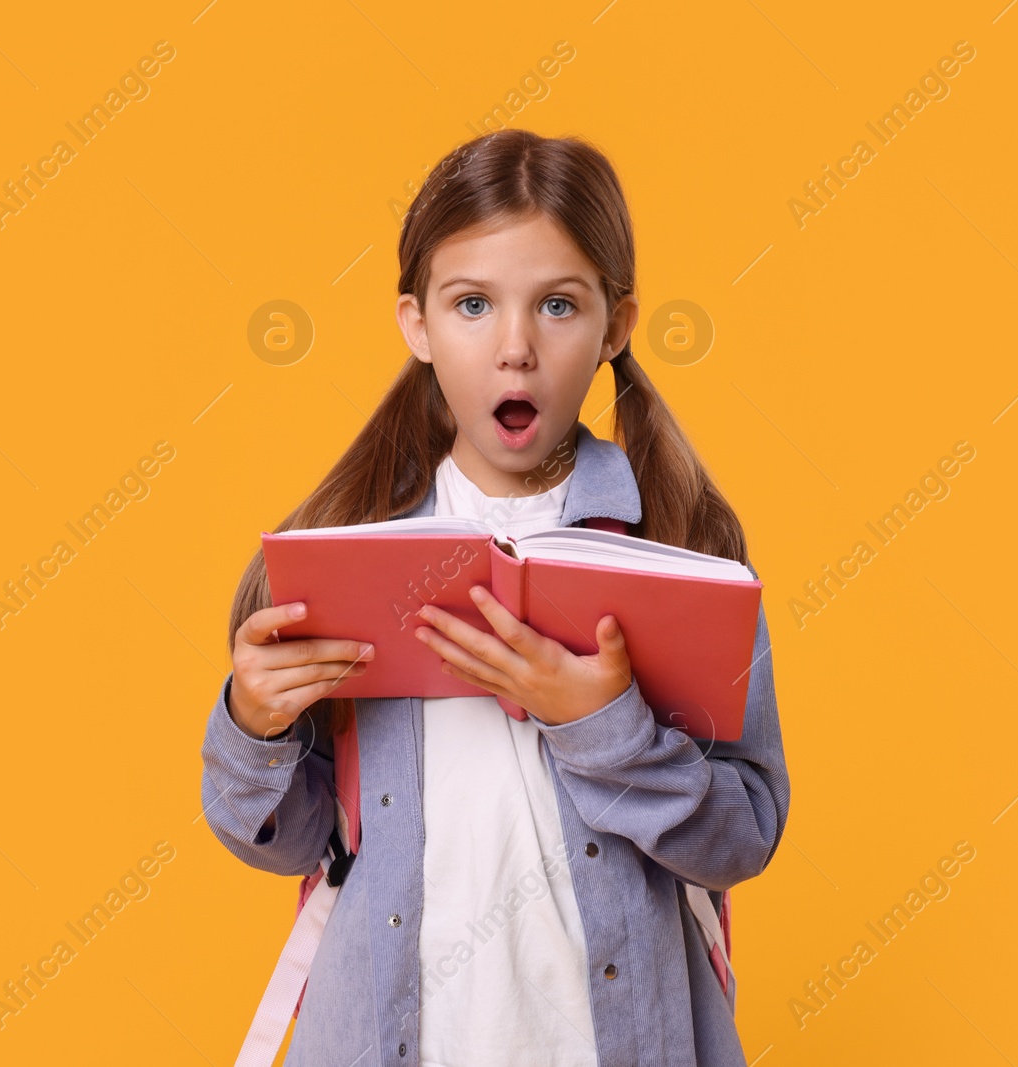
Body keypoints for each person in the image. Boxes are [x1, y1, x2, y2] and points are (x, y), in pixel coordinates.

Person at [201, 128, 790, 1066]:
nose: (514, 348)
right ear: (417, 325)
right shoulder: (346, 547)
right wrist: (252, 727)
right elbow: (290, 842)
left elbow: (743, 836)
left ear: (616, 326)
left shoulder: (679, 544)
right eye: (472, 304)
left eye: (558, 305)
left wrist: (604, 726)